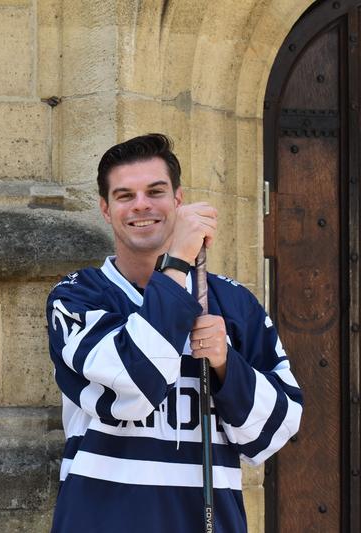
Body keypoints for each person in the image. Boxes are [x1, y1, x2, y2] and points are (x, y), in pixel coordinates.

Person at [46, 134, 302, 532]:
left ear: (178, 200)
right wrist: (178, 261)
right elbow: (132, 387)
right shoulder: (79, 296)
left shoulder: (233, 303)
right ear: (105, 208)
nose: (141, 205)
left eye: (156, 191)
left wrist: (225, 365)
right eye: (124, 195)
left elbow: (274, 432)